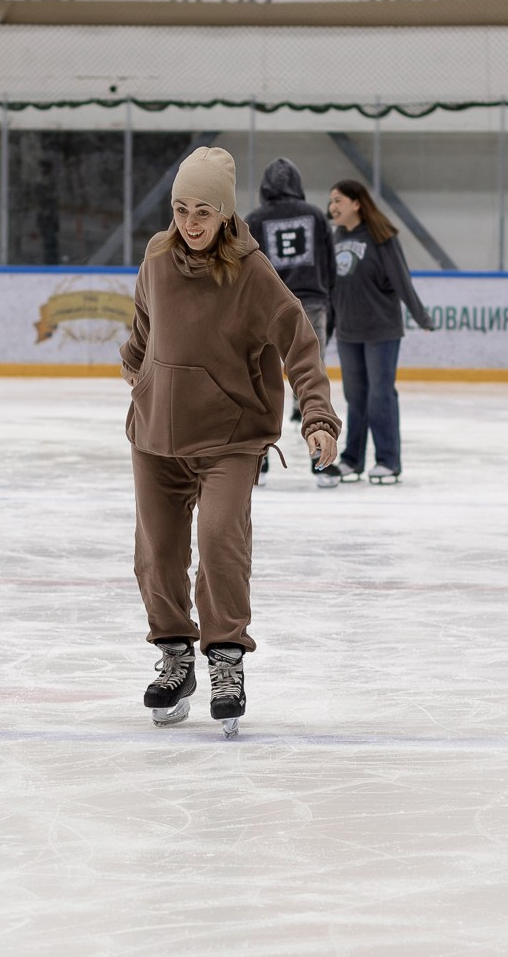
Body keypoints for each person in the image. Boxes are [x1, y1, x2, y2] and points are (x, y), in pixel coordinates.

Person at [119, 147, 340, 736]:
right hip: (157, 434)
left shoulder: (252, 273)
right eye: (180, 209)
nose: (190, 223)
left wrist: (317, 416)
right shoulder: (159, 257)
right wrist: (138, 372)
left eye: (203, 211)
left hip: (229, 438)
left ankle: (225, 657)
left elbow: (300, 342)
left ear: (225, 214)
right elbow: (142, 323)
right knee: (159, 554)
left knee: (220, 540)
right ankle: (175, 656)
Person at [328, 179, 433, 484]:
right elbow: (333, 289)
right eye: (332, 201)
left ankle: (388, 460)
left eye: (339, 201)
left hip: (381, 331)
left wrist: (420, 315)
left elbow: (402, 280)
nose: (333, 207)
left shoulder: (381, 237)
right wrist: (327, 330)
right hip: (348, 331)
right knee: (355, 397)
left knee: (380, 395)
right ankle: (352, 460)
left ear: (356, 203)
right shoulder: (334, 238)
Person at [246, 157, 341, 487]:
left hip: (267, 307)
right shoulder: (315, 215)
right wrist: (330, 303)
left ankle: (259, 459)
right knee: (313, 377)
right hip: (312, 303)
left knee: (260, 382)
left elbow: (246, 267)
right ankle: (323, 462)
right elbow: (329, 264)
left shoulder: (255, 219)